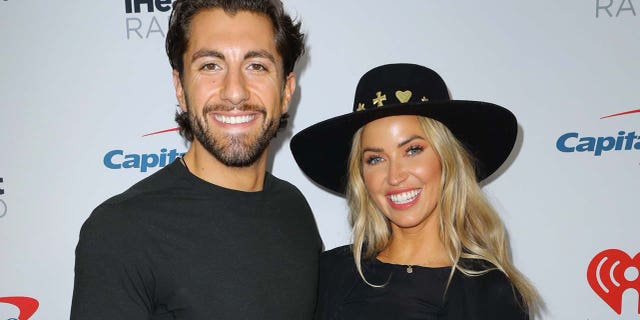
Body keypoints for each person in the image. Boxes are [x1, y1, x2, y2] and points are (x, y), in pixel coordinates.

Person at [71, 1, 322, 319]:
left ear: (286, 90)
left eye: (256, 66)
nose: (234, 92)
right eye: (210, 66)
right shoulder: (121, 232)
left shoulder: (294, 209)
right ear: (180, 87)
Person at [290, 63, 540, 319]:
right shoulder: (328, 274)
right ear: (361, 176)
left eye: (413, 150)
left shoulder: (491, 294)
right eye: (375, 159)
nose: (395, 176)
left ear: (448, 159)